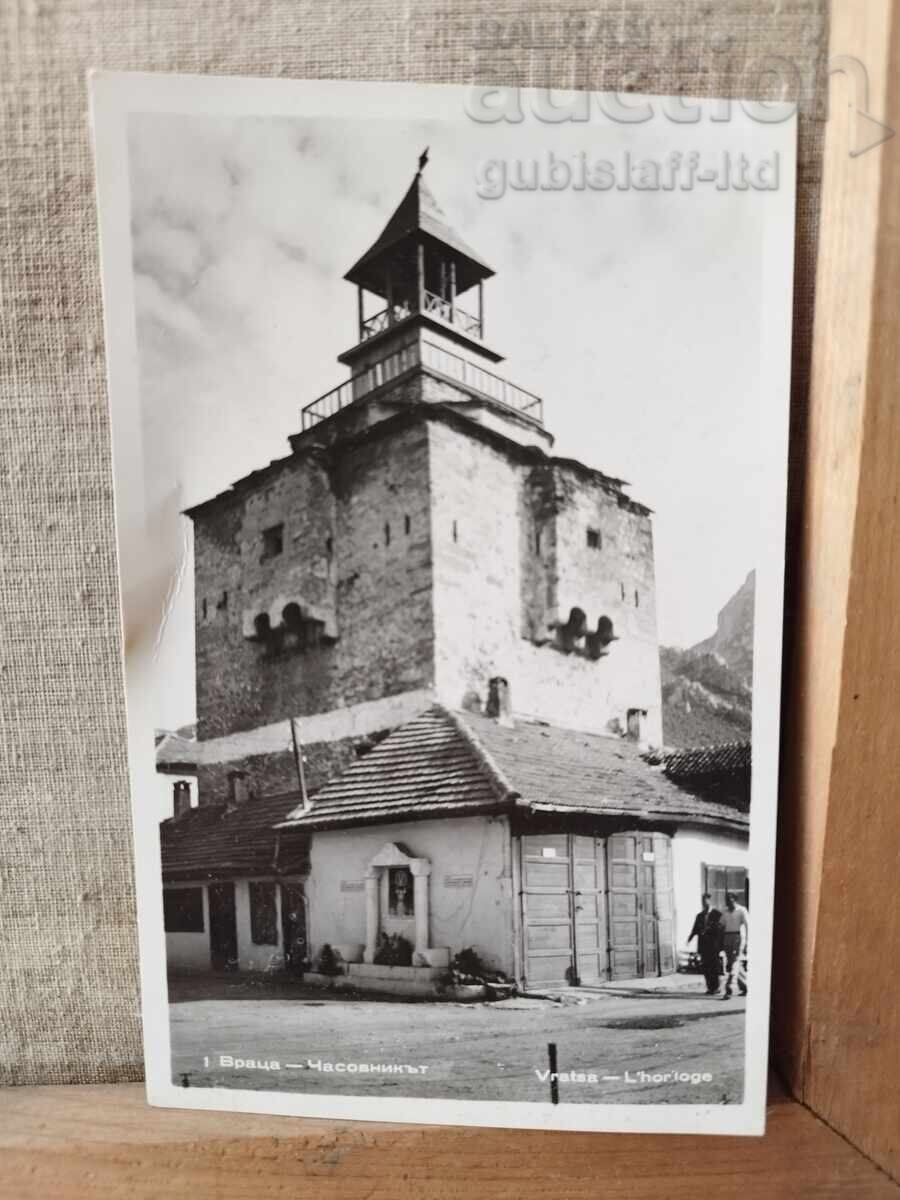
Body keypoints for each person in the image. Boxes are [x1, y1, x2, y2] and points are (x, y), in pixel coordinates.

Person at [687, 893, 724, 994]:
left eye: (706, 900)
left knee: (714, 967)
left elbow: (720, 929)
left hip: (713, 945)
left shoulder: (717, 914)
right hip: (703, 945)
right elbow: (695, 929)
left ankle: (716, 987)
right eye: (703, 900)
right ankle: (710, 987)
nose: (704, 902)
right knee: (706, 967)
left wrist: (720, 945)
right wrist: (689, 938)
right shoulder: (699, 916)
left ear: (710, 901)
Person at [721, 891, 749, 998]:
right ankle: (746, 986)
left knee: (735, 961)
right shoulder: (725, 911)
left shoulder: (741, 910)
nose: (728, 901)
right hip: (727, 937)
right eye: (726, 899)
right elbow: (722, 924)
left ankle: (730, 986)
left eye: (730, 899)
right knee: (732, 962)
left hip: (738, 937)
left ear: (734, 899)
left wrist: (747, 943)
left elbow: (747, 926)